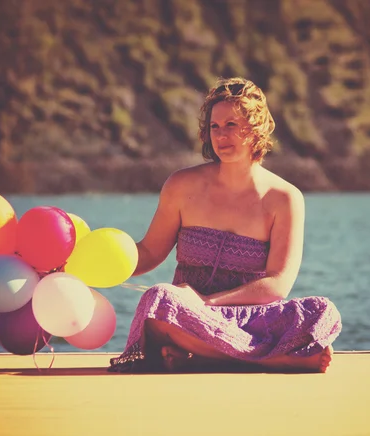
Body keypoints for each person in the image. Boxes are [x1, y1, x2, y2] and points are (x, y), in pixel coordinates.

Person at [109, 77, 342, 373]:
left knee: (321, 310)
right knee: (159, 299)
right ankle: (274, 360)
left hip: (251, 319)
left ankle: (200, 357)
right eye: (214, 127)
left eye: (231, 125)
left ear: (255, 128)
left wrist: (208, 301)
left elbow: (277, 284)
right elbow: (149, 253)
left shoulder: (284, 198)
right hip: (189, 316)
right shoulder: (181, 185)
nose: (221, 135)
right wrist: (94, 262)